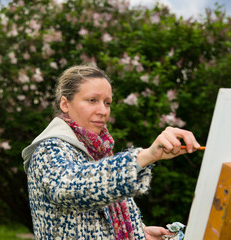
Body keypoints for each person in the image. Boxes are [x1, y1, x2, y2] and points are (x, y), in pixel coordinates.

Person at [22, 65, 200, 240]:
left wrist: (139, 232)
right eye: (92, 100)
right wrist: (146, 156)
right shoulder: (48, 149)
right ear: (65, 104)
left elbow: (101, 219)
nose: (103, 111)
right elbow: (72, 189)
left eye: (107, 103)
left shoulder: (100, 152)